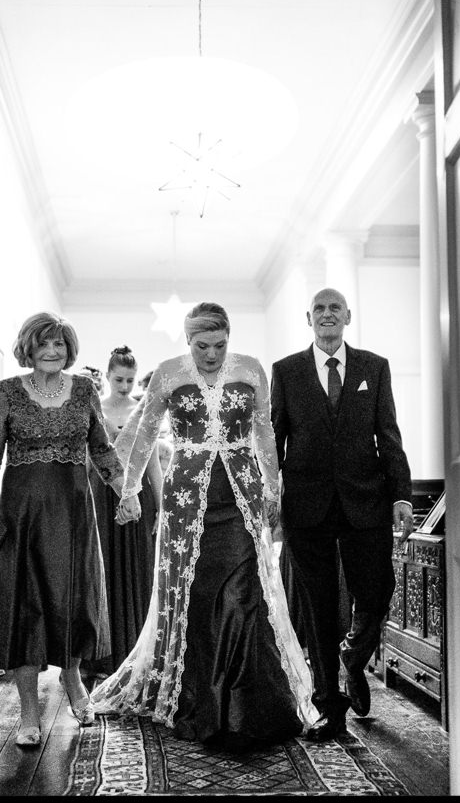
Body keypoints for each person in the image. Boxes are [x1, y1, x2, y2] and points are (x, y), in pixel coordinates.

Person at [90, 303, 317, 752]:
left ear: (229, 338)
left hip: (240, 494)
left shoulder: (251, 370)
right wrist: (130, 488)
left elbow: (265, 434)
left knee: (243, 593)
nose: (211, 355)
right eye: (201, 346)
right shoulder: (169, 374)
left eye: (219, 345)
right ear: (187, 340)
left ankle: (249, 705)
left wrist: (274, 490)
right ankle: (201, 702)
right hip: (187, 497)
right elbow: (147, 432)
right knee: (194, 593)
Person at [0, 312, 124, 748]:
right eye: (44, 344)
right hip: (20, 516)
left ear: (69, 349)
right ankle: (28, 711)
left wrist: (124, 491)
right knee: (24, 603)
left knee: (71, 599)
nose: (52, 351)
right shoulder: (7, 393)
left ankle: (74, 681)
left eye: (59, 344)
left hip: (73, 514)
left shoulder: (85, 391)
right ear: (29, 347)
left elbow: (102, 448)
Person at [271, 287, 415, 742]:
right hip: (305, 505)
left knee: (376, 592)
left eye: (335, 308)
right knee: (318, 609)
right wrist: (265, 499)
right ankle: (329, 707)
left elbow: (388, 434)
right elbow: (275, 440)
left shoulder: (375, 367)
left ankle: (354, 657)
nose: (327, 314)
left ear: (348, 316)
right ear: (308, 318)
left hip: (366, 501)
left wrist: (402, 495)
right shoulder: (287, 371)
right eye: (319, 309)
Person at [83, 346, 163, 678]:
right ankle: (100, 656)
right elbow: (86, 461)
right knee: (104, 570)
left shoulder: (143, 410)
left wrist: (161, 505)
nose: (126, 386)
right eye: (119, 379)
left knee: (137, 570)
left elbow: (154, 462)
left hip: (139, 494)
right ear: (107, 375)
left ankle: (134, 654)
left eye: (130, 380)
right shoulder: (94, 408)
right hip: (102, 495)